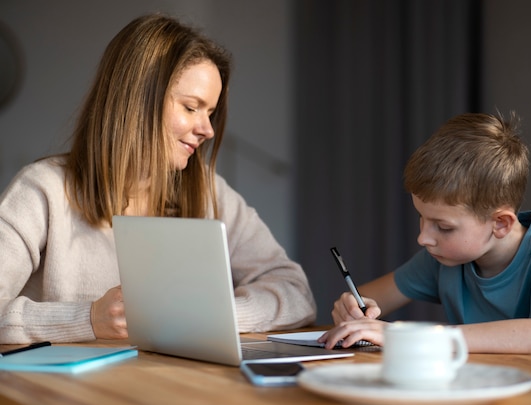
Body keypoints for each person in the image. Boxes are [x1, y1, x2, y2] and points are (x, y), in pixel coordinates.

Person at [0, 14, 316, 344]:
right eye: (192, 107)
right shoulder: (43, 190)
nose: (207, 130)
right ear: (138, 100)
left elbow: (295, 292)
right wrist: (88, 318)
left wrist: (208, 315)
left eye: (211, 113)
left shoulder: (209, 193)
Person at [319, 112, 531, 368]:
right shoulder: (444, 257)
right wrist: (352, 310)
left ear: (500, 223)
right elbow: (370, 300)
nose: (423, 238)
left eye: (443, 227)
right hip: (498, 388)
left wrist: (406, 337)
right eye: (422, 217)